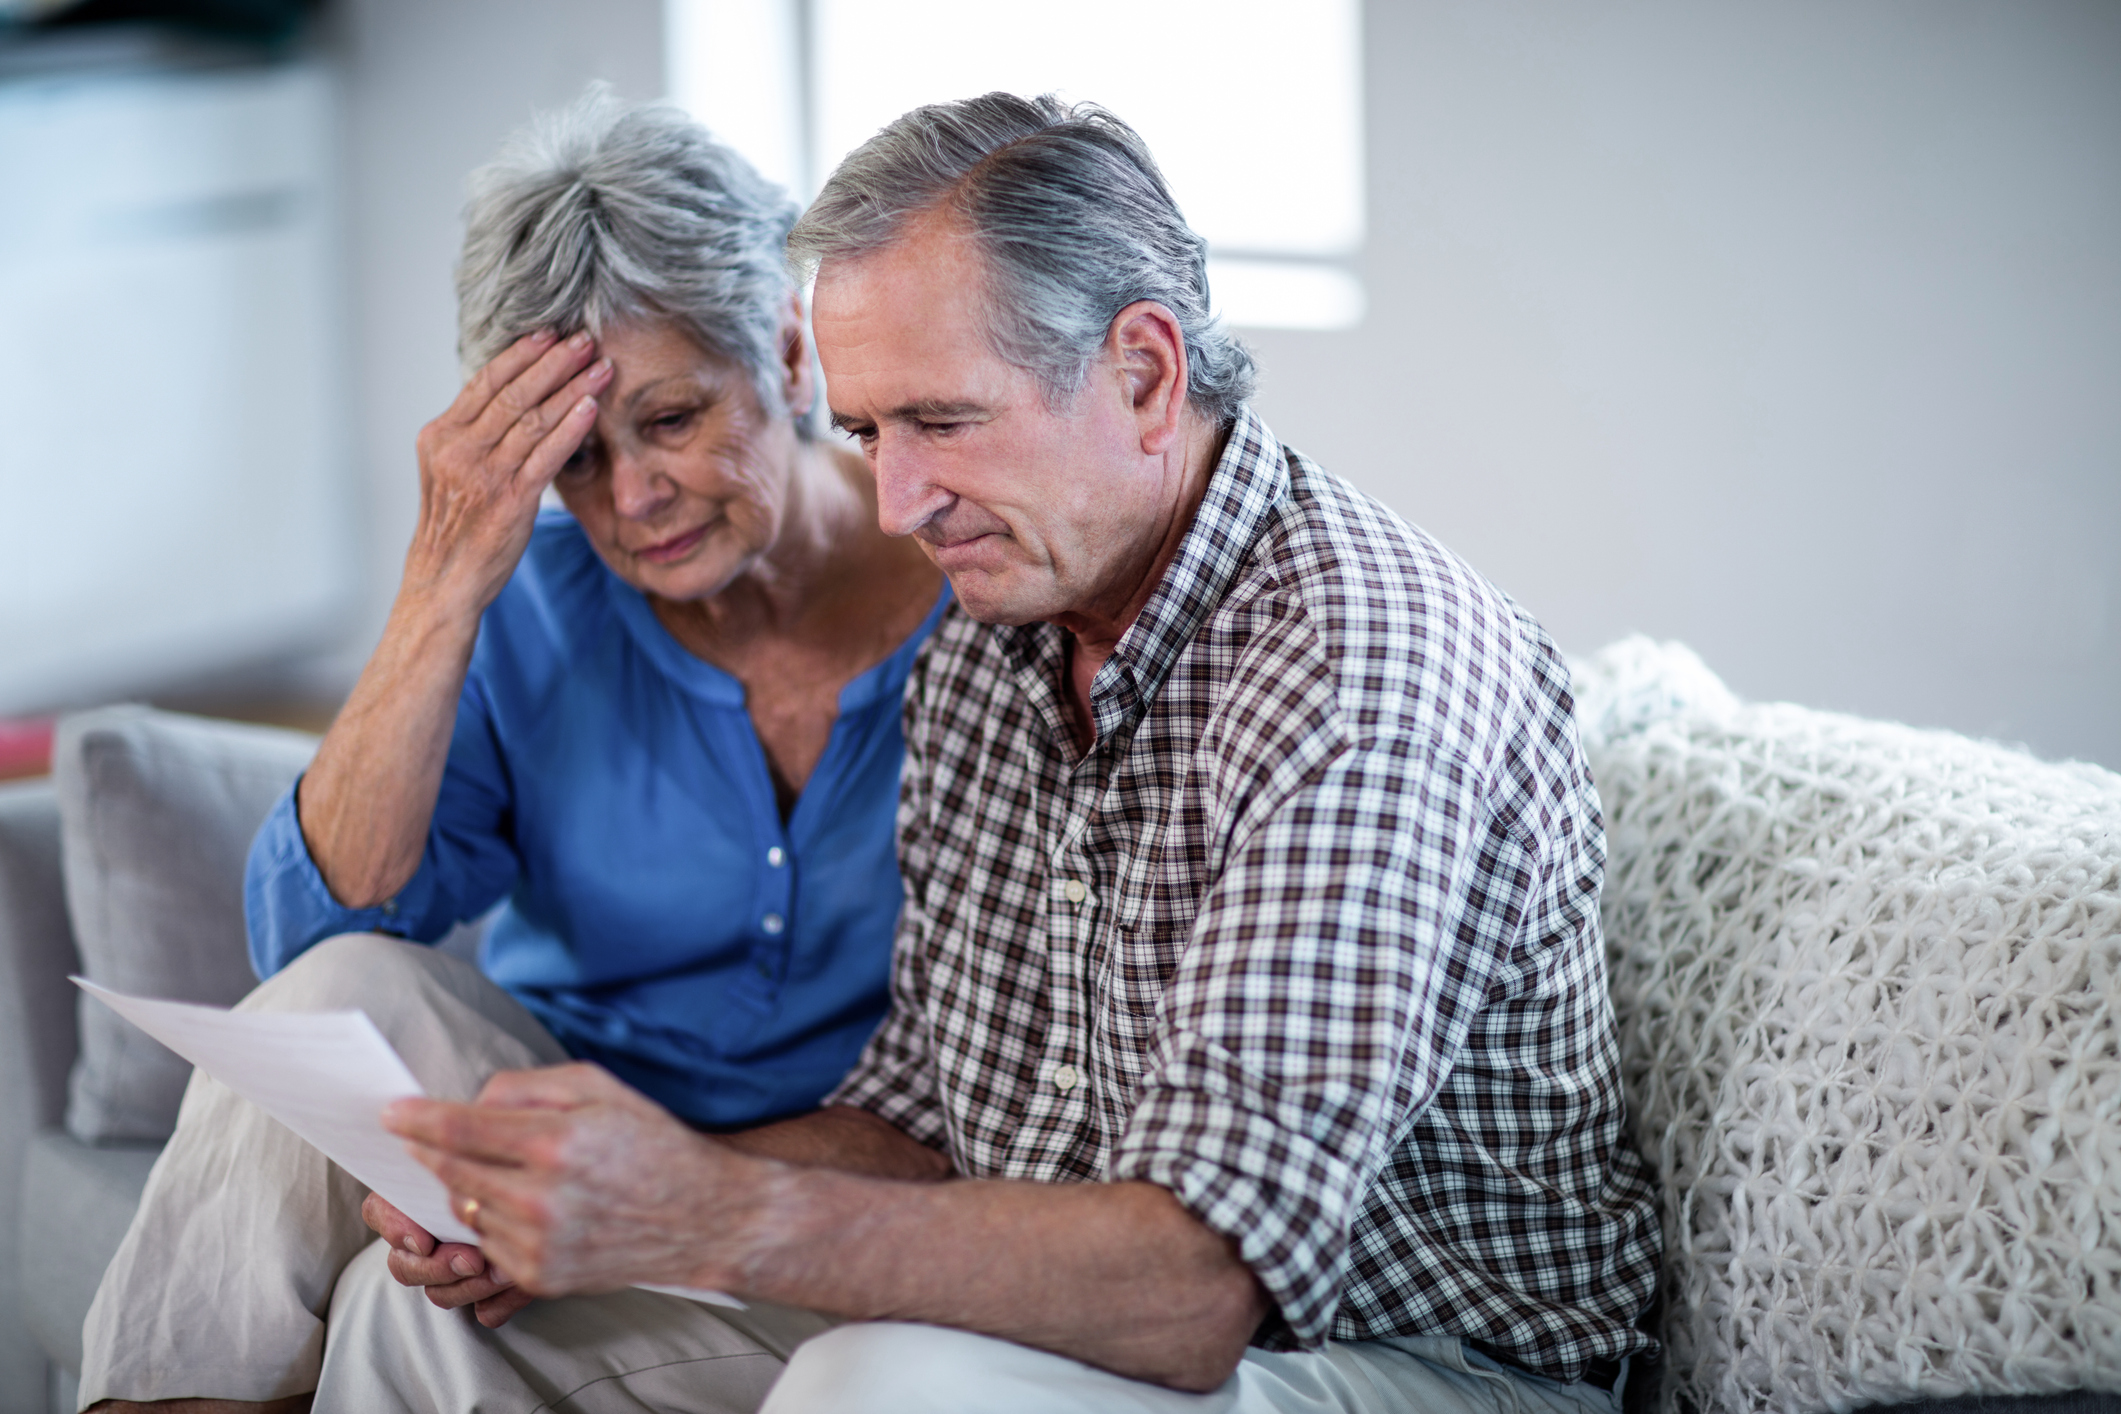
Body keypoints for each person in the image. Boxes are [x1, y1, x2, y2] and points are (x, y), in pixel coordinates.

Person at [303, 92, 1664, 1414]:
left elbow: (1194, 1287)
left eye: (942, 423)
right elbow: (919, 1118)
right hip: (1043, 1301)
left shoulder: (1358, 670)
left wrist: (707, 1212)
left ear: (1141, 374)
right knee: (423, 1321)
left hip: (1391, 1357)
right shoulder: (998, 627)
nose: (897, 501)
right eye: (867, 432)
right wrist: (581, 1204)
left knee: (880, 1378)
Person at [79, 91, 945, 1410]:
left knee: (391, 1303)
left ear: (784, 349)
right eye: (576, 460)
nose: (634, 497)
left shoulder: (978, 596)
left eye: (670, 419)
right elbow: (313, 946)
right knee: (338, 991)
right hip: (551, 1142)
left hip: (815, 1204)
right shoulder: (528, 604)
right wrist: (441, 581)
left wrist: (645, 1196)